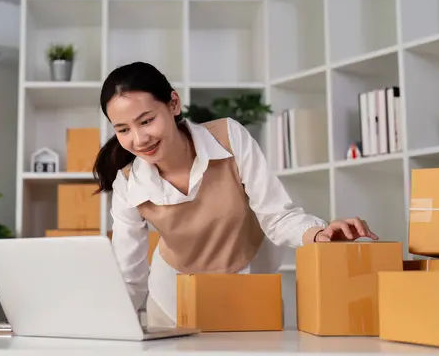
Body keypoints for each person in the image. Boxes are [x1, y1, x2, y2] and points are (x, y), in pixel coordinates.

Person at [93, 61, 378, 327]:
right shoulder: (128, 183)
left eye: (146, 121)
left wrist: (319, 234)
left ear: (173, 104)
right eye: (123, 129)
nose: (139, 139)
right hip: (173, 299)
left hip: (248, 287)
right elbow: (129, 276)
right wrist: (102, 327)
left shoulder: (228, 138)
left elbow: (276, 216)